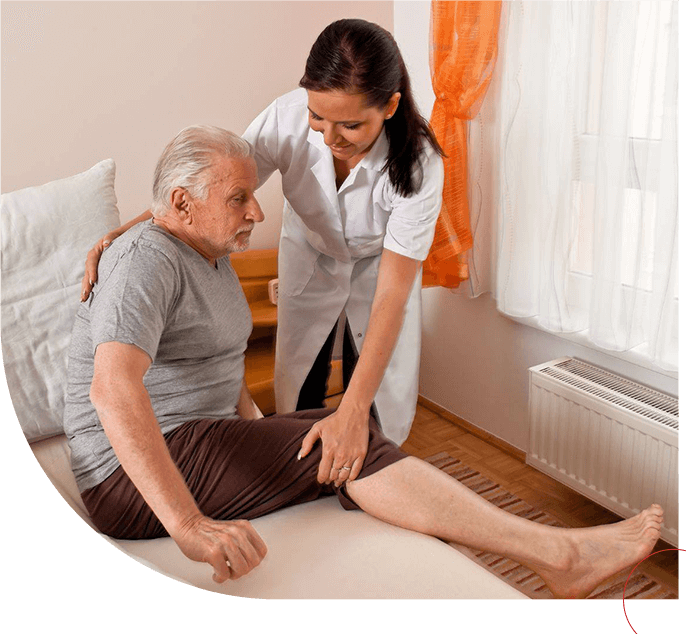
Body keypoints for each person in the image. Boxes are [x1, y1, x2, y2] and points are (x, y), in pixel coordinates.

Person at [65, 124, 664, 597]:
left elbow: (217, 371)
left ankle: (546, 552)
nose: (256, 213)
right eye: (239, 199)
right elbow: (113, 391)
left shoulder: (205, 247)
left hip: (195, 439)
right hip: (124, 478)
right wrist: (189, 527)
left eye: (254, 195)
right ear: (182, 204)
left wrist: (268, 444)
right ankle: (560, 556)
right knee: (342, 443)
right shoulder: (146, 261)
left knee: (347, 432)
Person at [81, 19, 445, 485]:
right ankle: (307, 480)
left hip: (380, 268)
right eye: (318, 116)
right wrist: (122, 232)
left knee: (373, 399)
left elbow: (392, 296)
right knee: (301, 381)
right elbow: (210, 185)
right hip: (311, 254)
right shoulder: (286, 117)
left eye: (351, 125)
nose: (330, 136)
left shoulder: (417, 166)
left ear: (390, 106)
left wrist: (351, 412)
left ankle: (372, 471)